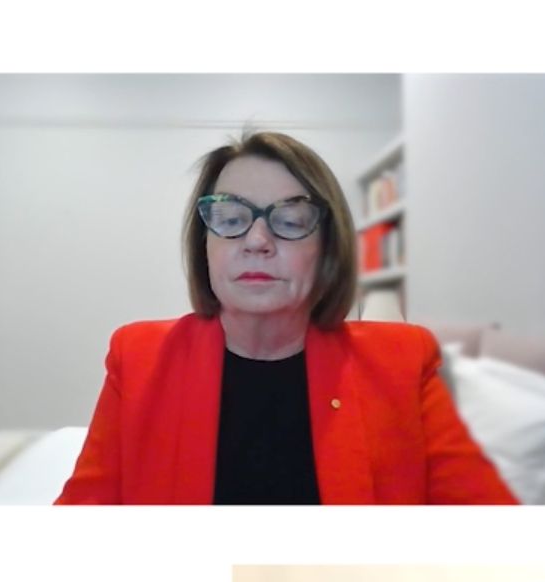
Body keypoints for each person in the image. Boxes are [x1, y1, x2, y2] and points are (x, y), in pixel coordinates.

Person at [56, 131, 515, 504]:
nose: (256, 241)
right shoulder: (138, 356)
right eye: (231, 217)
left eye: (291, 222)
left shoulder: (403, 360)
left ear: (328, 250)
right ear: (205, 244)